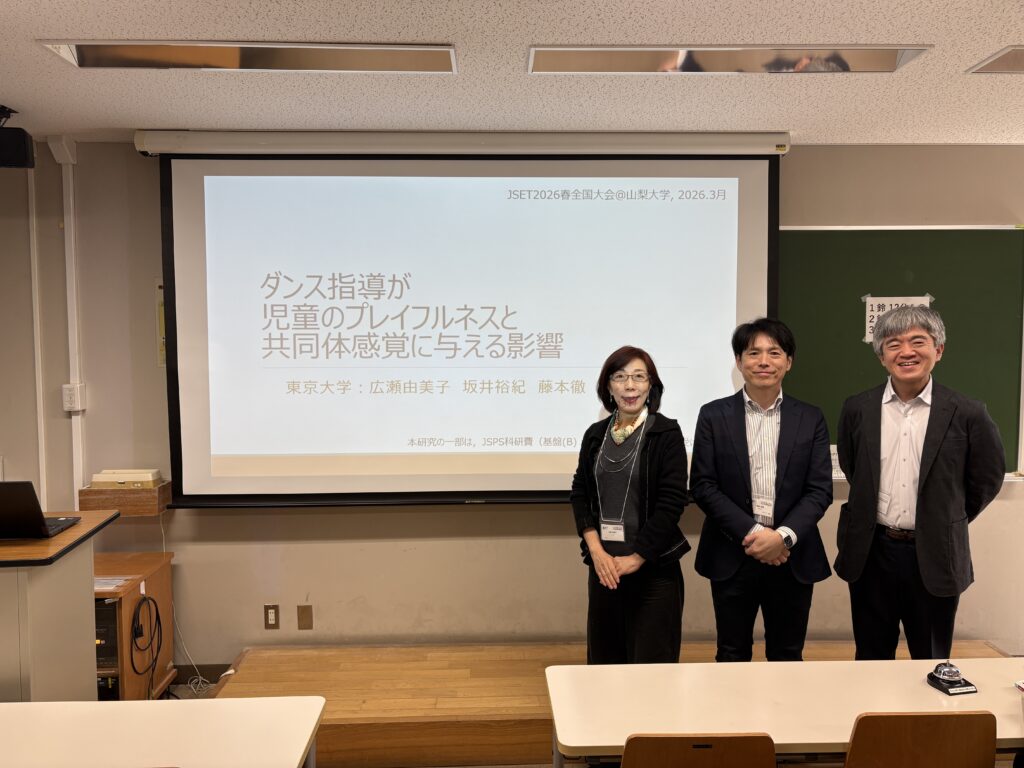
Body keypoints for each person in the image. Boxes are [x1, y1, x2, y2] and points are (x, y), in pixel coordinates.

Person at [835, 305, 1005, 660]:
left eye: (918, 341)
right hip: (871, 552)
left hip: (935, 552)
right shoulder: (857, 408)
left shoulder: (968, 412)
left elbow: (986, 479)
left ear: (938, 349)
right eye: (893, 344)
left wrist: (944, 518)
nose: (906, 352)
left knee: (930, 658)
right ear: (881, 356)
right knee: (870, 658)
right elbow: (854, 469)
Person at [690, 318, 832, 662]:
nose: (764, 361)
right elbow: (704, 486)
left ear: (789, 362)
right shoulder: (713, 415)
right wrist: (756, 534)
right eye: (754, 353)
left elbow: (819, 490)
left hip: (791, 555)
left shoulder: (811, 417)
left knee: (787, 654)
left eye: (774, 352)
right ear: (739, 362)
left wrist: (781, 537)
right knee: (731, 652)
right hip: (732, 552)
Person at [570, 345, 689, 664]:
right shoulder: (595, 435)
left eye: (639, 377)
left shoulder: (666, 433)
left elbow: (672, 502)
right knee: (605, 665)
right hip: (605, 569)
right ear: (608, 387)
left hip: (654, 570)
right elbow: (580, 492)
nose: (630, 386)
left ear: (651, 385)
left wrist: (637, 557)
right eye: (620, 377)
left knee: (652, 668)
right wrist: (596, 551)